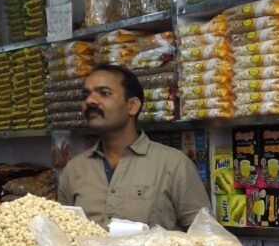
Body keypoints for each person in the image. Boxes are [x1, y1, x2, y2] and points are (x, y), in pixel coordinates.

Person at [57, 64, 210, 230]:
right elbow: (64, 235)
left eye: (104, 93)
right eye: (86, 95)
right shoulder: (74, 170)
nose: (90, 101)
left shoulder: (173, 164)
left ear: (132, 106)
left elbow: (204, 235)